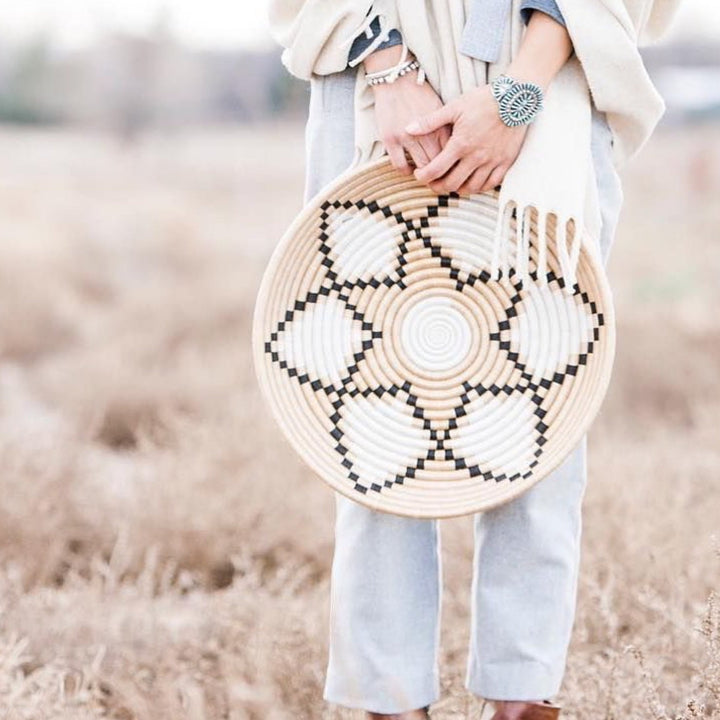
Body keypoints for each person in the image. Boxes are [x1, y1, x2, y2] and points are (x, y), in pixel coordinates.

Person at [267, 1, 680, 717]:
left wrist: (519, 91)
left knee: (542, 398)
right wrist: (386, 65)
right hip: (375, 81)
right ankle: (389, 701)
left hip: (551, 72)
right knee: (373, 409)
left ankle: (523, 699)